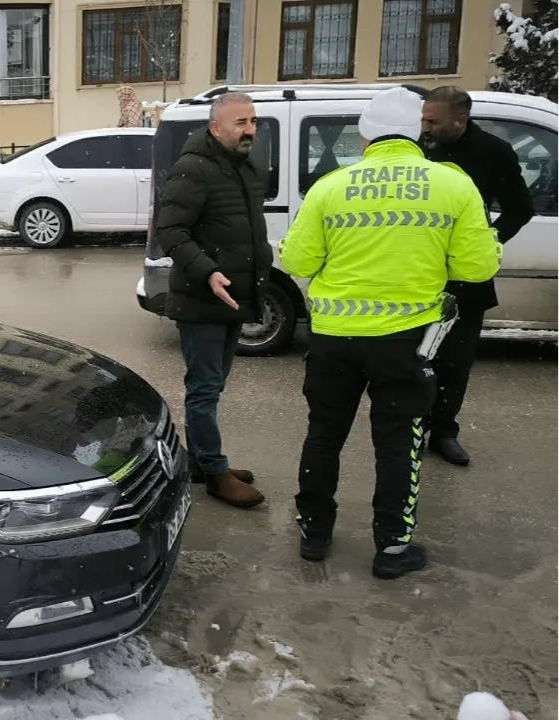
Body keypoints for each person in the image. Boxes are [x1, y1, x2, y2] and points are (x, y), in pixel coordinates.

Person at [281, 86, 502, 579]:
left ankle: (314, 534)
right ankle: (393, 549)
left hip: (335, 339)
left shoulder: (331, 186)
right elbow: (476, 266)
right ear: (417, 132)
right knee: (399, 442)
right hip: (406, 342)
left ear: (365, 136)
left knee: (324, 435)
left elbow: (297, 260)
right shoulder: (453, 185)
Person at [154, 92, 270, 510]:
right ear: (215, 127)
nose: (249, 130)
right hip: (202, 299)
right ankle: (216, 473)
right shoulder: (193, 168)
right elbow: (171, 232)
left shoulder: (244, 167)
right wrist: (208, 271)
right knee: (203, 388)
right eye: (240, 122)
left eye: (253, 121)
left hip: (233, 297)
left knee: (214, 383)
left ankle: (203, 462)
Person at [421, 86, 535, 466]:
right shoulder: (418, 149)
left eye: (433, 122)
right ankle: (413, 429)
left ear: (461, 119)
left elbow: (520, 208)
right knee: (415, 358)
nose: (426, 128)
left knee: (456, 359)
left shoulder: (493, 153)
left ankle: (445, 432)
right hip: (418, 270)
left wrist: (488, 243)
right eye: (424, 119)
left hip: (468, 277)